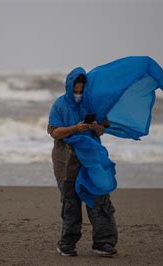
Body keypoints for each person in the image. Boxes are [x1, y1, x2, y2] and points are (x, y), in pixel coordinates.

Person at [47, 68, 118, 257]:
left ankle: (103, 243)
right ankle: (67, 245)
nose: (78, 93)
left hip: (92, 159)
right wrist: (75, 128)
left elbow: (103, 129)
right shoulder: (59, 105)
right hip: (66, 161)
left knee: (99, 199)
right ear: (69, 87)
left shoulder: (93, 102)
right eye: (75, 90)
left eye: (81, 89)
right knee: (71, 204)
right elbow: (54, 132)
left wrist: (96, 127)